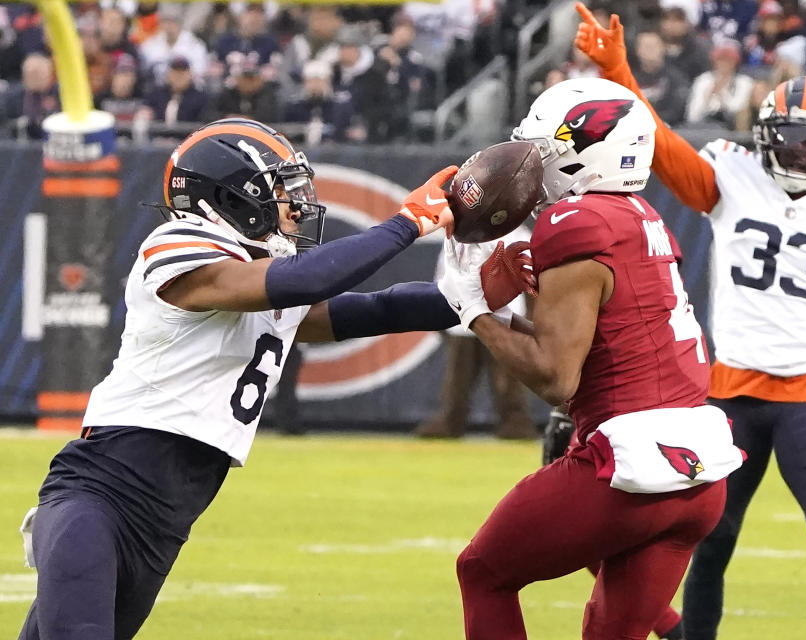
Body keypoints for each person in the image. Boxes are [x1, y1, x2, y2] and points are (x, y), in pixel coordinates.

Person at [16, 117, 532, 640]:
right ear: (233, 196)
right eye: (282, 191)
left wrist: (480, 295)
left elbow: (374, 309)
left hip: (165, 520)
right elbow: (306, 280)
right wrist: (405, 224)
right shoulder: (176, 246)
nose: (297, 205)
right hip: (100, 493)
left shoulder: (261, 273)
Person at [574, 4, 806, 640]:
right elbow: (659, 143)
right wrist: (618, 71)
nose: (799, 153)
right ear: (764, 135)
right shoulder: (732, 175)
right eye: (788, 138)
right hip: (729, 395)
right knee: (709, 546)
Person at [438, 76, 745, 640]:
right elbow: (597, 336)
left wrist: (474, 310)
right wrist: (502, 315)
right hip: (698, 472)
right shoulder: (638, 216)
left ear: (588, 156)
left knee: (483, 572)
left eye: (548, 154)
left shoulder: (576, 220)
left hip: (626, 465)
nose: (534, 167)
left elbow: (557, 376)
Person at [415, 226, 537, 440]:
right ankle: (450, 420)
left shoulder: (519, 236)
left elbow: (532, 282)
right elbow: (443, 278)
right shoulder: (458, 237)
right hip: (462, 319)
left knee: (508, 377)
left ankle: (515, 422)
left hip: (505, 317)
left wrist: (531, 319)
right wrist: (438, 315)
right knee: (457, 379)